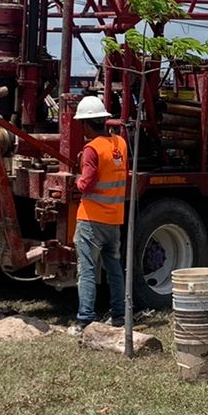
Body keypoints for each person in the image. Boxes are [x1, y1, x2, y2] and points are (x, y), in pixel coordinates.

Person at [72, 94, 128, 331]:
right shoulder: (120, 144)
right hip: (114, 219)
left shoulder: (91, 149)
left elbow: (87, 184)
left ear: (86, 123)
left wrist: (76, 180)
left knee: (87, 270)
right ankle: (119, 315)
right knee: (114, 268)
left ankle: (85, 319)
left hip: (91, 221)